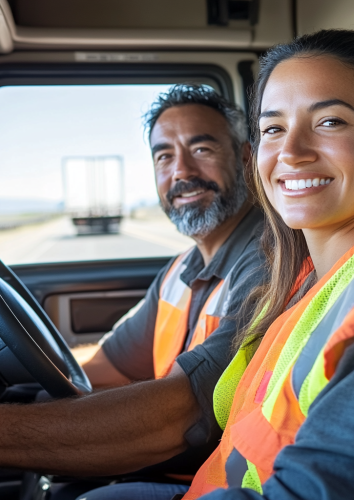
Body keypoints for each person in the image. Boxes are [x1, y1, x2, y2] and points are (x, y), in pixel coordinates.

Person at [0, 28, 354, 500]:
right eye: (274, 128)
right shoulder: (304, 280)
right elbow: (113, 365)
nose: (293, 151)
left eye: (330, 122)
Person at [74, 84, 264, 390]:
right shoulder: (179, 270)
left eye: (201, 150)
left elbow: (181, 410)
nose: (181, 172)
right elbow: (109, 364)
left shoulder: (268, 261)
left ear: (245, 158)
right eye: (164, 156)